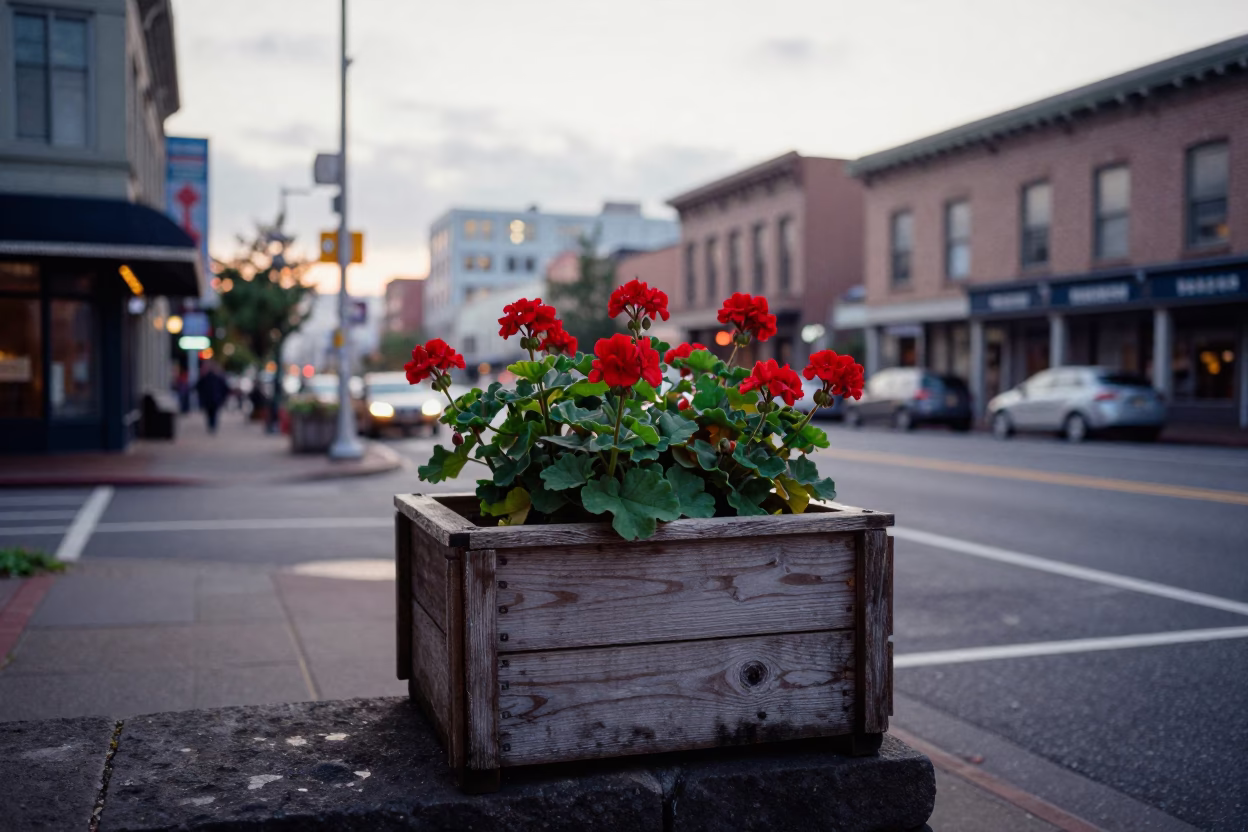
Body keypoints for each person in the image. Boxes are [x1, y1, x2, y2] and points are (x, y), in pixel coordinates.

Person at [195, 361, 230, 434]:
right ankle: (212, 426)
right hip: (215, 399)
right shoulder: (219, 378)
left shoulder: (206, 378)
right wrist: (223, 398)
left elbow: (197, 387)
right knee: (213, 413)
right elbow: (225, 389)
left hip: (209, 399)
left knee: (209, 413)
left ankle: (211, 426)